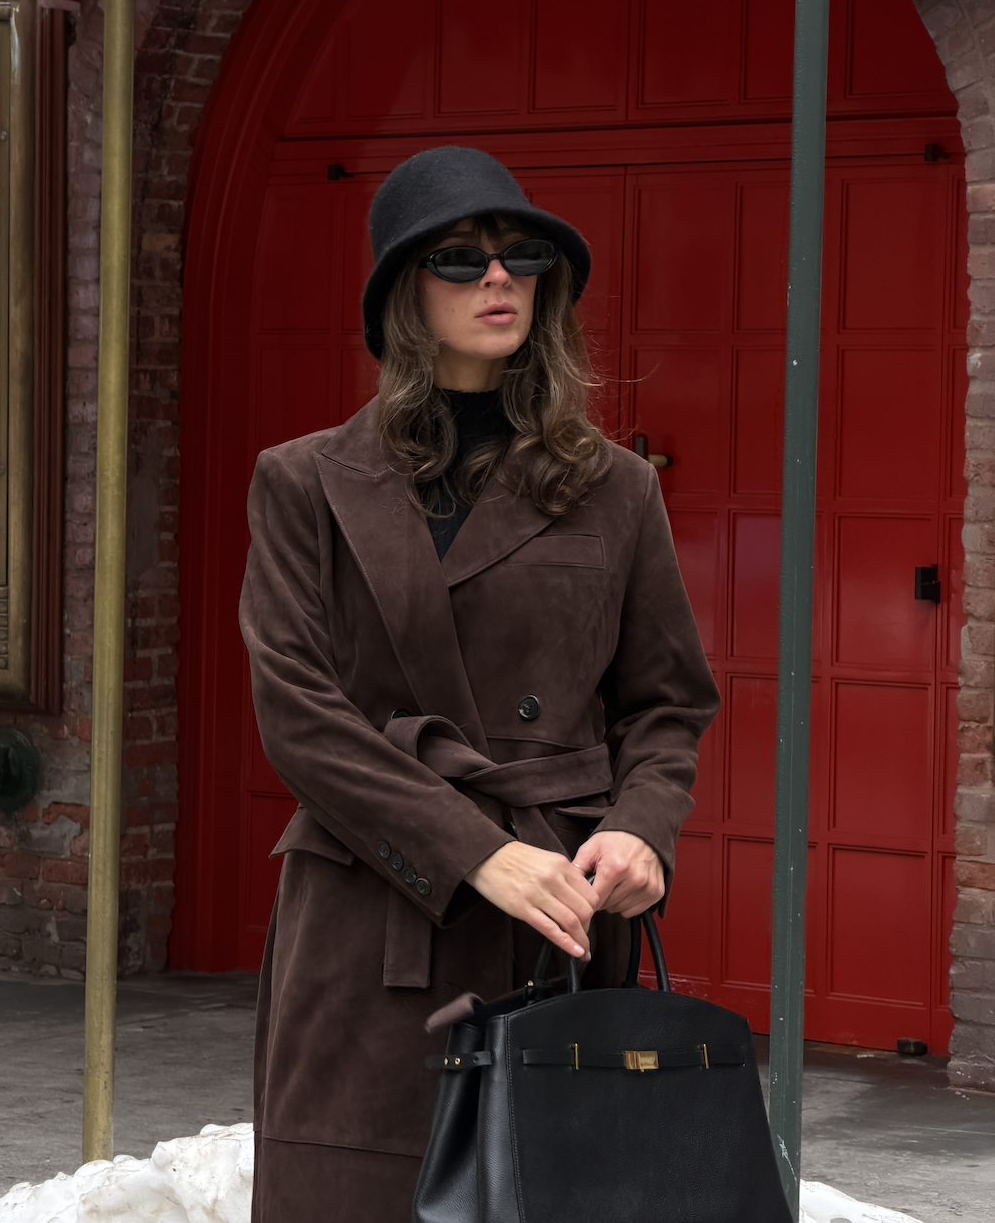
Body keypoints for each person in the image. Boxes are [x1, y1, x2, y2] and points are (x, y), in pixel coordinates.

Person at [239, 146, 719, 1223]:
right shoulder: (303, 481)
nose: (496, 280)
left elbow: (663, 701)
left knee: (549, 1188)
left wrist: (642, 828)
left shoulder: (615, 489)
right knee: (348, 1192)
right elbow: (298, 715)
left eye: (522, 256)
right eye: (458, 259)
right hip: (368, 916)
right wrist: (473, 853)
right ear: (405, 294)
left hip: (555, 913)